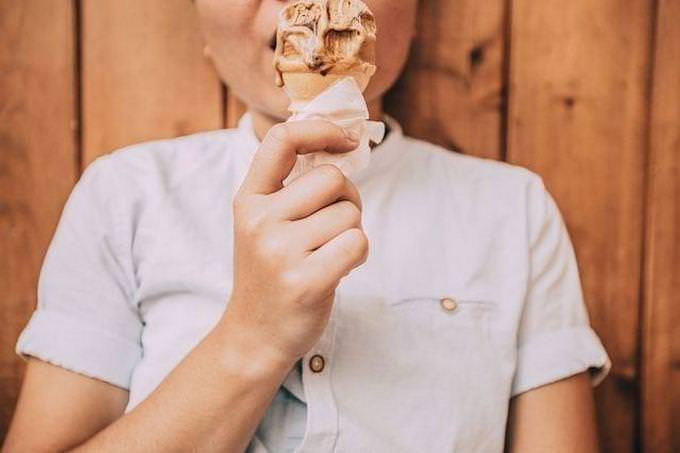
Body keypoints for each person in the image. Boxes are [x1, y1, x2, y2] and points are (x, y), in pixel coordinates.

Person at [2, 1, 611, 452]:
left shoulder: (513, 210)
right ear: (205, 39)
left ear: (412, 21)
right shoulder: (124, 197)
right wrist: (253, 335)